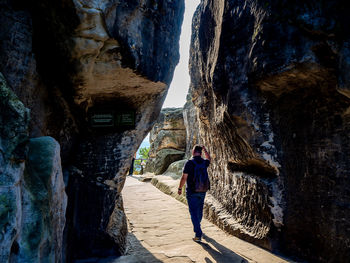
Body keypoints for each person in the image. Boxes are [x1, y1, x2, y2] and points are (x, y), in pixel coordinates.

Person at [178, 144, 211, 242]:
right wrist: (205, 150)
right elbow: (209, 159)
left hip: (192, 191)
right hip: (203, 190)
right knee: (199, 210)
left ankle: (198, 233)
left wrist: (180, 188)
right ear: (201, 153)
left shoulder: (189, 163)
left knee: (193, 212)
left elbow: (184, 177)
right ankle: (198, 227)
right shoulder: (204, 162)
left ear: (193, 152)